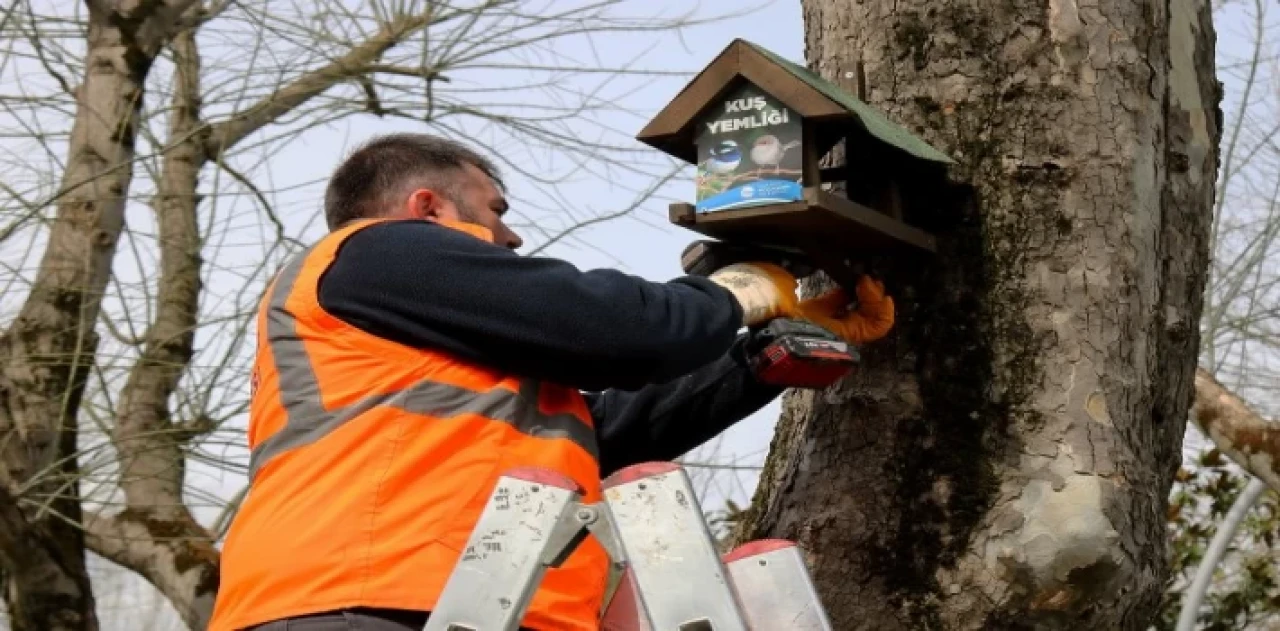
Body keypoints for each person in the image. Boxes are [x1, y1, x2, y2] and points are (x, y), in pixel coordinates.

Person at [208, 133, 894, 631]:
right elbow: (618, 329)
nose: (510, 237)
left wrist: (762, 353)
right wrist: (732, 294)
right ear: (428, 207)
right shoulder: (374, 252)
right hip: (365, 599)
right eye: (494, 208)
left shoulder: (440, 352)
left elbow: (606, 427)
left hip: (462, 598)